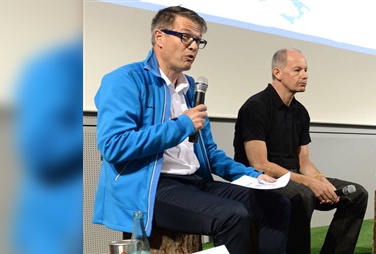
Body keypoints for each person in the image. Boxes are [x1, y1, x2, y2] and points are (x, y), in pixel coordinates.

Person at [92, 6, 290, 254]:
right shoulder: (126, 80)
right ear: (159, 37)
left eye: (198, 40)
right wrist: (181, 125)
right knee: (231, 215)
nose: (194, 46)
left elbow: (209, 152)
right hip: (152, 187)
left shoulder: (191, 88)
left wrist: (251, 175)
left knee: (276, 204)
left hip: (194, 182)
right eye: (186, 37)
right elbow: (113, 145)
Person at [233, 48, 368, 254]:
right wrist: (309, 183)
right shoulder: (256, 106)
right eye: (297, 70)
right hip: (259, 181)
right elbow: (260, 165)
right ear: (277, 73)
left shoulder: (301, 112)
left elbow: (304, 162)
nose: (304, 75)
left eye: (306, 70)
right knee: (303, 194)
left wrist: (320, 179)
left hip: (293, 179)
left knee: (356, 193)